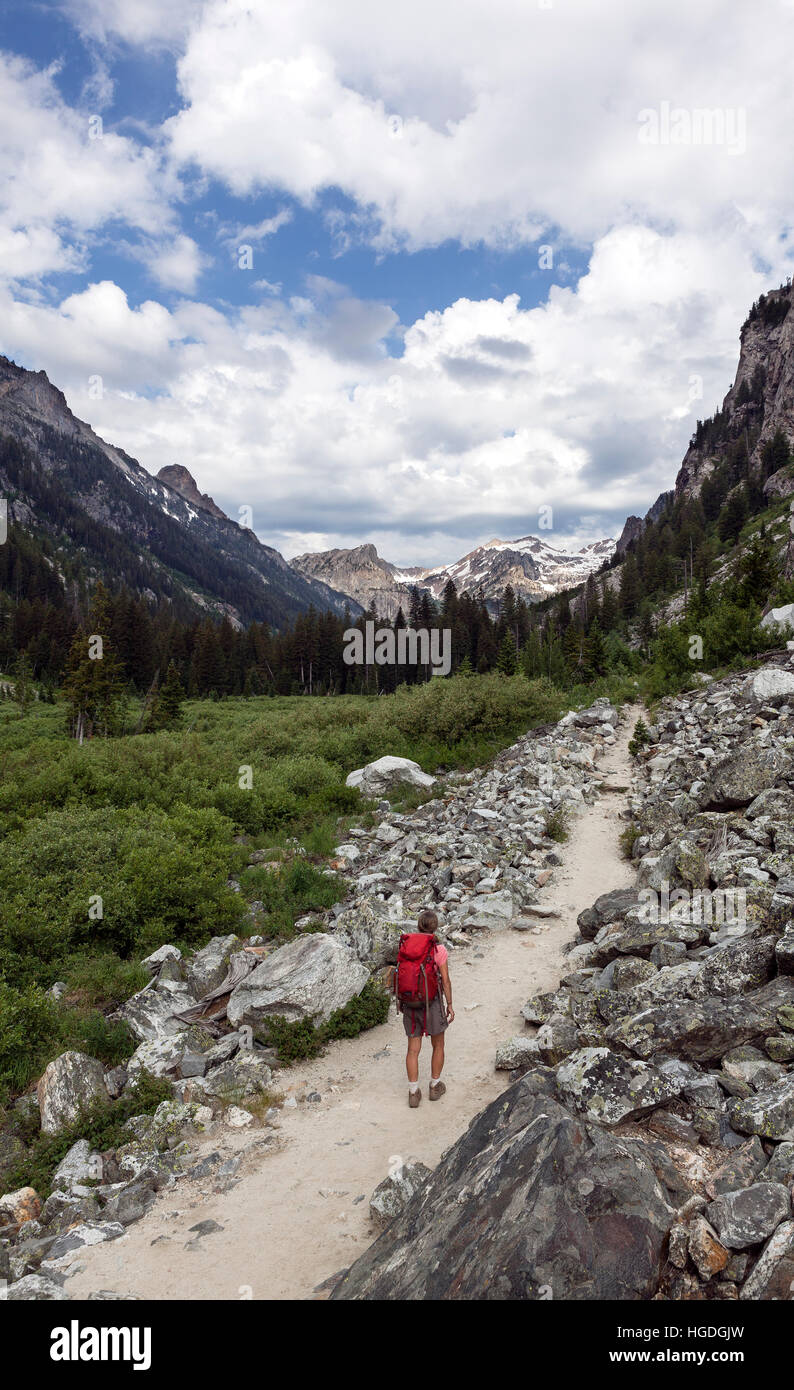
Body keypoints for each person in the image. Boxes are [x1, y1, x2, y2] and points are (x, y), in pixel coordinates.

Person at [402, 908, 454, 1108]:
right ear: (436, 928)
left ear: (418, 926)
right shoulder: (438, 950)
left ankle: (413, 1093)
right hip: (432, 1002)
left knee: (412, 1050)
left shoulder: (406, 947)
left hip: (411, 1002)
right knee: (438, 1045)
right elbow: (446, 981)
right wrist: (449, 1004)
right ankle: (434, 1086)